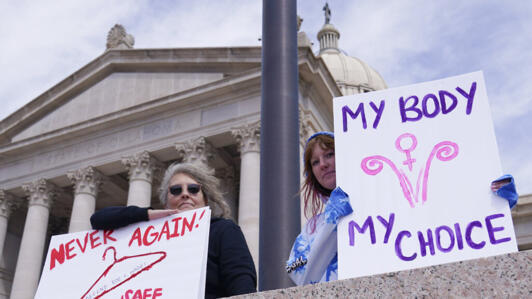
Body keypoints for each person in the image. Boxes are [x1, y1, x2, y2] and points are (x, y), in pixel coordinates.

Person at [286, 131, 518, 286]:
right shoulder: (312, 227)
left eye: (329, 154)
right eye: (315, 162)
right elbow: (298, 271)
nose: (323, 164)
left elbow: (441, 216)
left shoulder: (389, 196)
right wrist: (330, 224)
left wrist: (492, 198)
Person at [91, 162, 257, 298]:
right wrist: (146, 214)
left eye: (193, 189)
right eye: (176, 190)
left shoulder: (222, 230)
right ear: (166, 202)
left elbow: (241, 281)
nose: (185, 194)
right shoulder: (153, 234)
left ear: (205, 199)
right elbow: (98, 220)